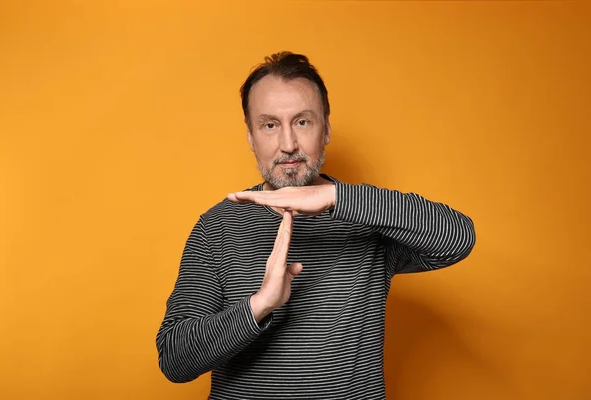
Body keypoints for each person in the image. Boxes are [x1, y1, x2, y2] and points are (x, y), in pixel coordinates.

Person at [156, 51, 476, 399]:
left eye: (303, 122)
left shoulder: (367, 219)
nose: (289, 144)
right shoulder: (217, 227)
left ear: (326, 129)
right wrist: (259, 305)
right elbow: (175, 360)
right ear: (251, 137)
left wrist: (337, 198)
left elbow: (457, 238)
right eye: (270, 125)